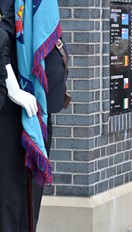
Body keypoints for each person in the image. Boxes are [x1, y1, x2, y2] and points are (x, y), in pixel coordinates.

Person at [0, 1, 68, 231]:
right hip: (13, 111)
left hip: (38, 111)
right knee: (9, 198)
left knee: (31, 200)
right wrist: (14, 89)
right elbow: (1, 39)